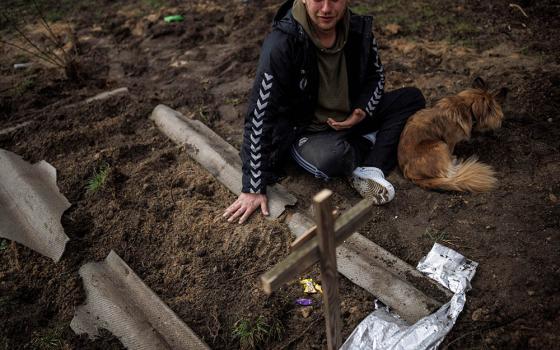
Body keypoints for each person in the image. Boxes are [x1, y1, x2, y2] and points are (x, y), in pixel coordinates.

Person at [224, 0, 425, 224]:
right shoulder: (282, 42)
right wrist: (252, 187)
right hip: (306, 131)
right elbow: (260, 113)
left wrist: (361, 109)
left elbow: (375, 76)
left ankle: (372, 167)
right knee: (330, 159)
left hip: (350, 117)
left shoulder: (357, 28)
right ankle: (370, 141)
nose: (327, 9)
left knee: (412, 98)